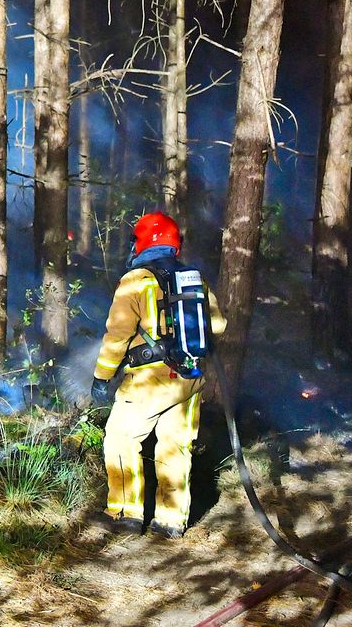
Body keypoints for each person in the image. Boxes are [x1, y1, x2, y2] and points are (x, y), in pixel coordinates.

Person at [90, 212, 226, 538]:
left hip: (149, 381)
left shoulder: (135, 281)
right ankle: (172, 521)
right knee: (175, 447)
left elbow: (117, 335)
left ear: (142, 242)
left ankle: (125, 514)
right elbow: (219, 325)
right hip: (189, 377)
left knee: (121, 440)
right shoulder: (194, 278)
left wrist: (102, 376)